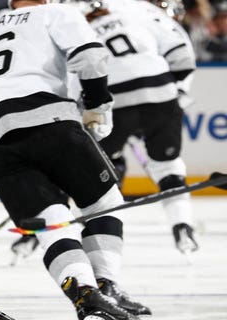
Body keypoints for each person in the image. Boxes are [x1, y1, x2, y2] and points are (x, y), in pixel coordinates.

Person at [0, 0, 148, 319]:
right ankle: (106, 284)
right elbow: (90, 56)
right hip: (50, 122)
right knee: (103, 203)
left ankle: (85, 295)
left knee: (51, 222)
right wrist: (99, 105)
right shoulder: (56, 12)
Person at [82, 0, 198, 255]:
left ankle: (92, 230)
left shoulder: (75, 21)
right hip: (160, 89)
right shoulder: (140, 10)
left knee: (96, 170)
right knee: (167, 165)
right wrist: (172, 92)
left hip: (114, 99)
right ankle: (182, 224)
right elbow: (182, 58)